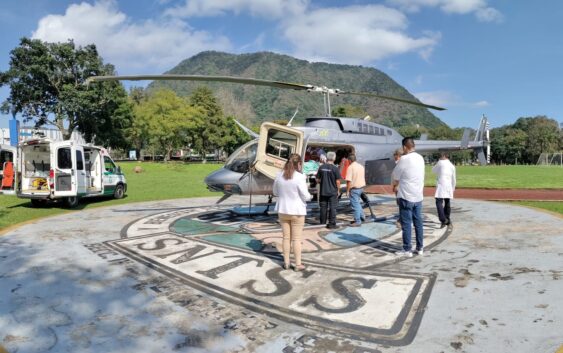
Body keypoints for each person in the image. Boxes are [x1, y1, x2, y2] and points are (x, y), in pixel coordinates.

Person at [273, 153, 312, 271]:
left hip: (282, 210)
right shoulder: (300, 177)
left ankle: (286, 263)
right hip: (297, 211)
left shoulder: (279, 175)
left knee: (286, 238)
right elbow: (305, 196)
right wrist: (310, 195)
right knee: (296, 239)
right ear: (299, 164)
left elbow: (275, 192)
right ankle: (298, 264)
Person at [392, 137, 425, 257]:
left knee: (406, 224)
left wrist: (395, 185)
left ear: (405, 147)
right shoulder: (420, 158)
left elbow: (396, 176)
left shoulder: (404, 159)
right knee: (418, 222)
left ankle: (407, 249)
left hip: (406, 196)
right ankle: (420, 247)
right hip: (418, 195)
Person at [316, 151, 342, 229]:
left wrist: (323, 181)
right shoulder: (335, 168)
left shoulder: (321, 167)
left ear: (327, 158)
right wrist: (338, 190)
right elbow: (338, 181)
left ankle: (322, 223)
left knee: (323, 208)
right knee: (332, 208)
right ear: (334, 158)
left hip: (323, 191)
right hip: (332, 192)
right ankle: (331, 224)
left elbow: (317, 180)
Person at [432, 152, 456, 228]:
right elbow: (454, 179)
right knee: (447, 202)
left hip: (441, 185)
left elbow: (433, 170)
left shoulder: (440, 163)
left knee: (438, 202)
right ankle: (447, 219)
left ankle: (443, 219)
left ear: (444, 156)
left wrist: (438, 162)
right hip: (449, 185)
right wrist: (453, 188)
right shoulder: (452, 166)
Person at [345, 153, 366, 227]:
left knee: (355, 205)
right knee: (357, 203)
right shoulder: (361, 166)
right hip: (361, 188)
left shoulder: (351, 167)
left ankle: (357, 221)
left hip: (354, 189)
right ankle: (362, 216)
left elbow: (348, 180)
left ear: (349, 160)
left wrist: (347, 191)